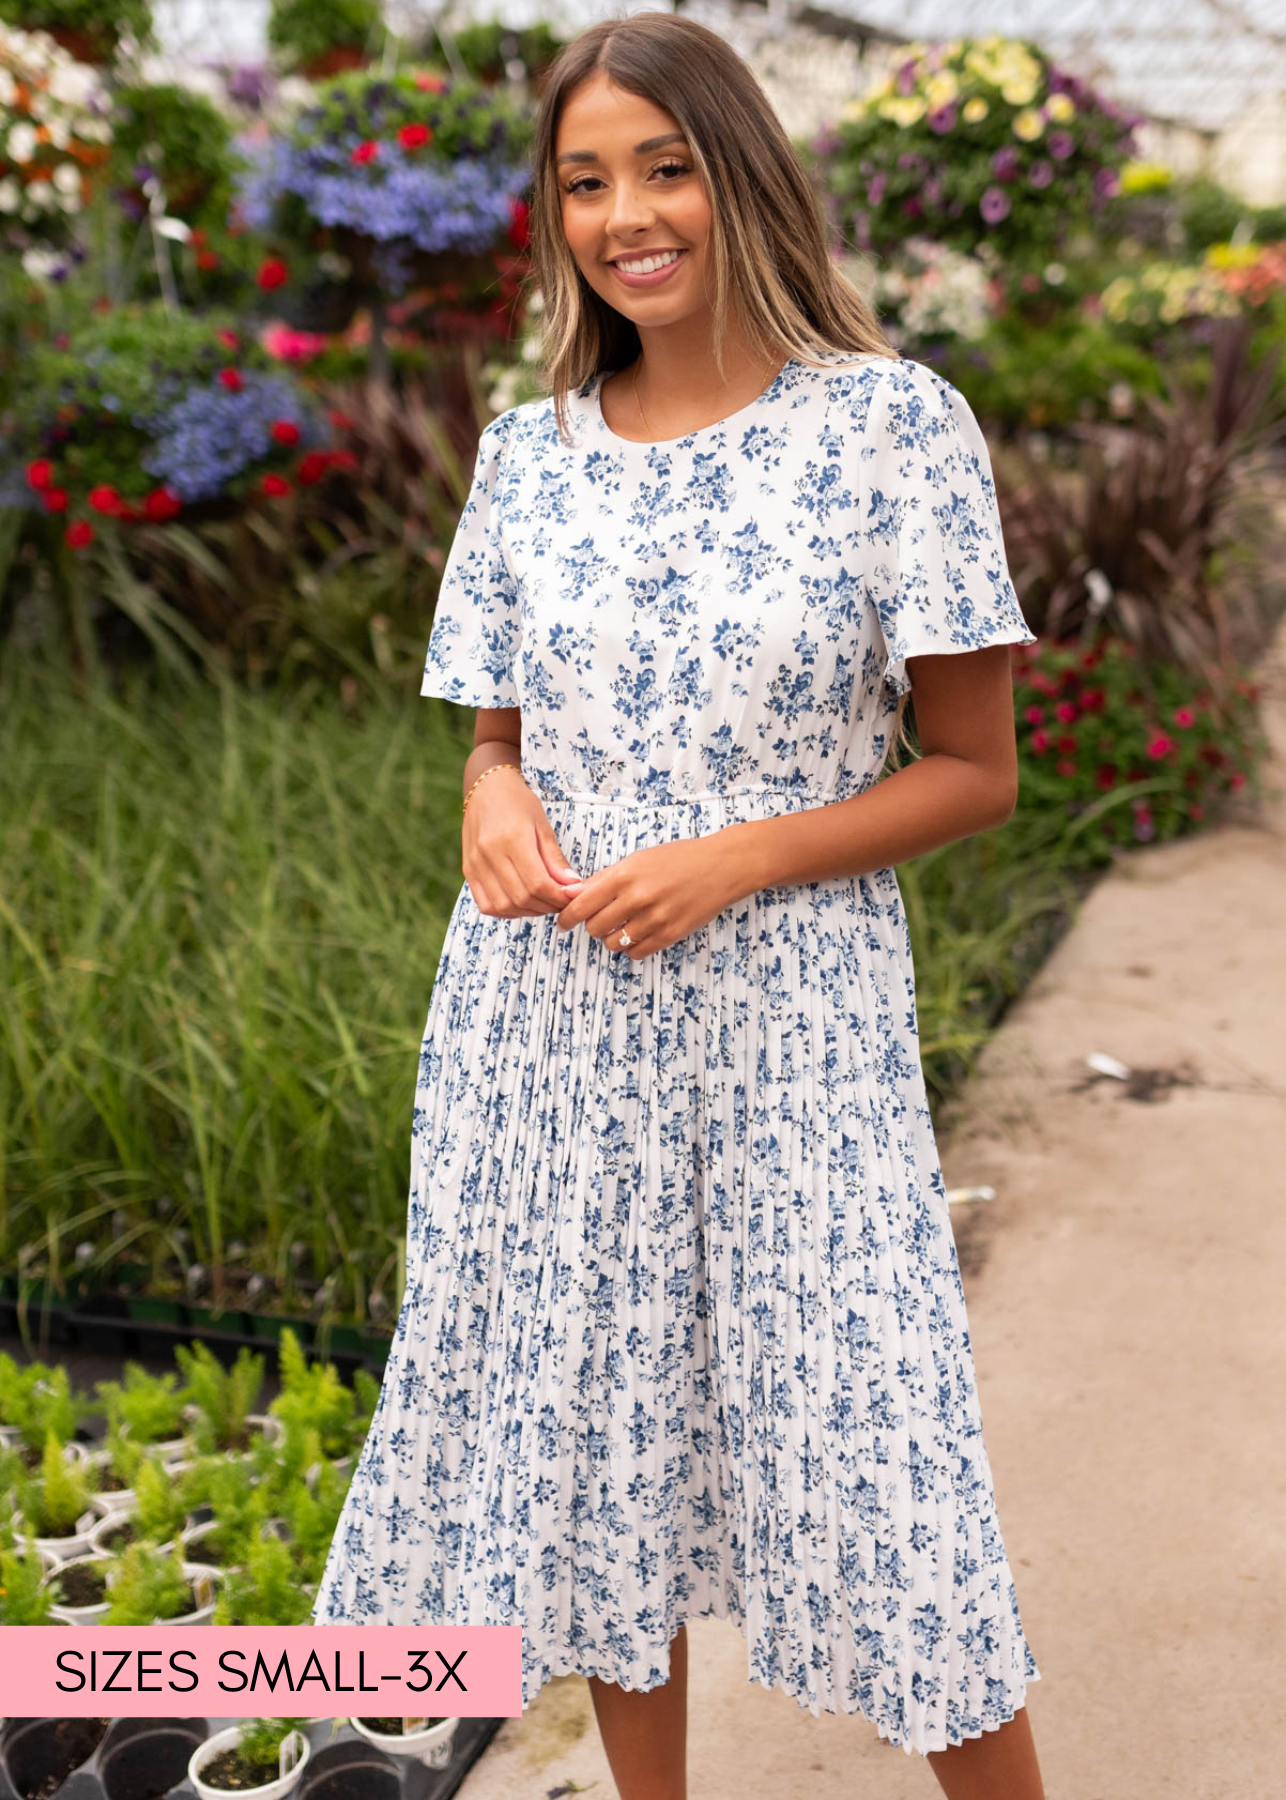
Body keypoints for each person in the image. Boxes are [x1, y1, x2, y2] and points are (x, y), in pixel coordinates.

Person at [311, 12, 1047, 1798]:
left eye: (661, 166)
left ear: (739, 175)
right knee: (595, 1485)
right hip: (548, 1031)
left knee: (883, 1474)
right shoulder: (527, 455)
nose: (625, 214)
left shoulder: (889, 429)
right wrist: (491, 799)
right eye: (583, 181)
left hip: (792, 1035)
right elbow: (496, 737)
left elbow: (974, 769)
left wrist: (738, 854)